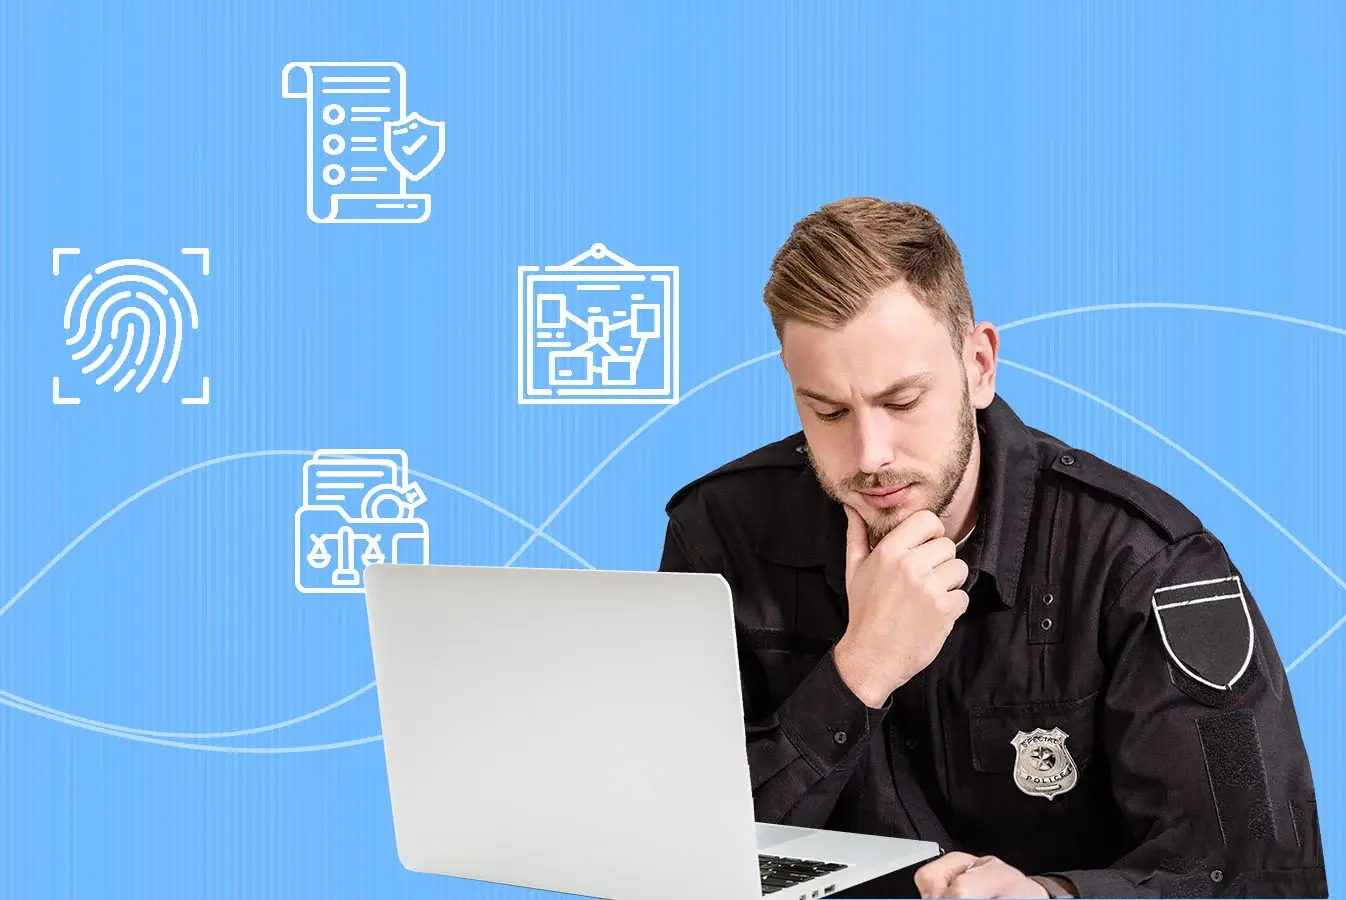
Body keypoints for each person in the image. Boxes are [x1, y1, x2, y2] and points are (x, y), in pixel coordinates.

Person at [657, 198, 1328, 898]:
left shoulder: (1145, 562)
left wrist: (1053, 897)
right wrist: (858, 674)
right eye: (828, 411)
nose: (870, 454)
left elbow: (1262, 876)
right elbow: (667, 857)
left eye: (903, 401)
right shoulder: (719, 534)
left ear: (979, 365)